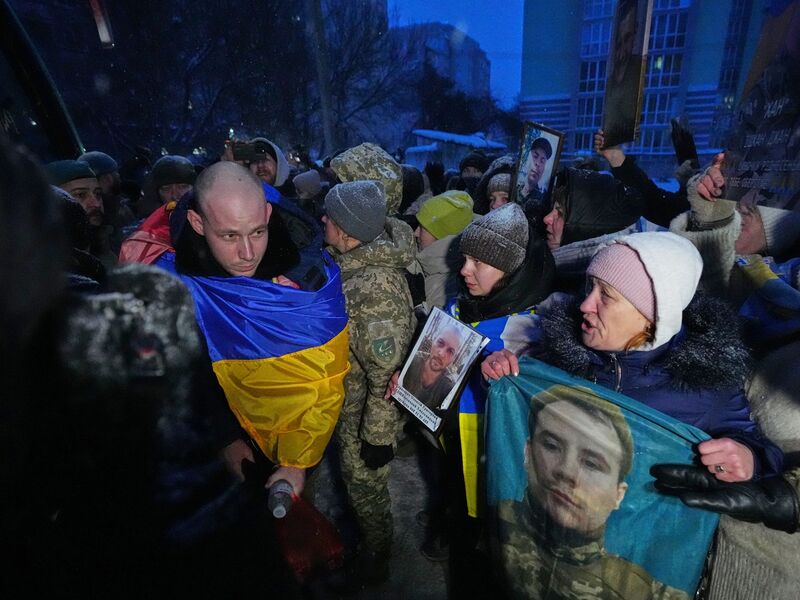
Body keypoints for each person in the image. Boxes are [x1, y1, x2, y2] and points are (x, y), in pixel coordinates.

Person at [483, 232, 783, 484]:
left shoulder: (704, 386)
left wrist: (749, 459)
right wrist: (503, 375)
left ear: (654, 314)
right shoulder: (560, 356)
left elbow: (756, 447)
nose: (585, 304)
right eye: (591, 287)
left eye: (606, 295)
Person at [158, 161, 350, 497]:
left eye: (258, 232)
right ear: (197, 223)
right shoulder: (175, 281)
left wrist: (297, 460)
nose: (247, 254)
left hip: (295, 448)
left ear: (267, 212)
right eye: (229, 235)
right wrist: (225, 437)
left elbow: (324, 376)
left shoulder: (305, 273)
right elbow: (184, 373)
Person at [495, 386, 688, 600]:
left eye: (591, 464)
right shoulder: (481, 526)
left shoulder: (645, 593)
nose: (566, 471)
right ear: (528, 453)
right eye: (551, 445)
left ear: (619, 495)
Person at [322, 179, 415, 583]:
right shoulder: (351, 264)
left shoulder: (374, 286)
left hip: (367, 412)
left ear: (346, 229)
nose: (322, 220)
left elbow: (387, 370)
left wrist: (377, 436)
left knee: (366, 488)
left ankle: (375, 558)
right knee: (356, 485)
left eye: (329, 216)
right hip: (350, 402)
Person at [407, 190, 474, 311]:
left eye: (423, 228)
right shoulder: (427, 264)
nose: (415, 233)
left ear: (442, 235)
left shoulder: (450, 289)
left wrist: (419, 307)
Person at [401, 325, 462, 408]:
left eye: (450, 351)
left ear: (454, 359)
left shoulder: (449, 389)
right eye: (440, 343)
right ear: (434, 341)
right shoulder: (412, 360)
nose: (441, 354)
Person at [137, 154, 196, 218]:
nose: (174, 196)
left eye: (183, 187)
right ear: (156, 193)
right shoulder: (146, 226)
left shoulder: (206, 220)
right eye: (166, 188)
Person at [519, 137, 553, 213]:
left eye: (542, 161)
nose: (537, 163)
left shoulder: (542, 202)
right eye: (535, 156)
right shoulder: (515, 189)